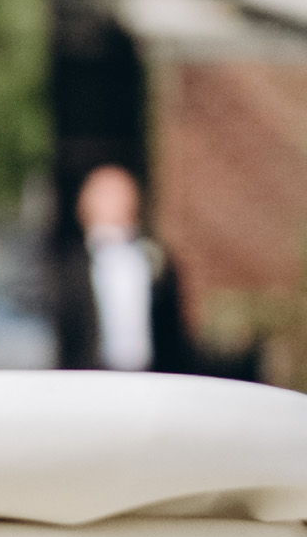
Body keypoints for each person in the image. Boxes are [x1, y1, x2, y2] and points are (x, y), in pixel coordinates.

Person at [50, 159, 198, 375]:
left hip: (152, 377)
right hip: (89, 377)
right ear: (83, 203)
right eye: (104, 193)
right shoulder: (66, 264)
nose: (114, 200)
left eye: (120, 192)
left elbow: (173, 332)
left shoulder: (156, 258)